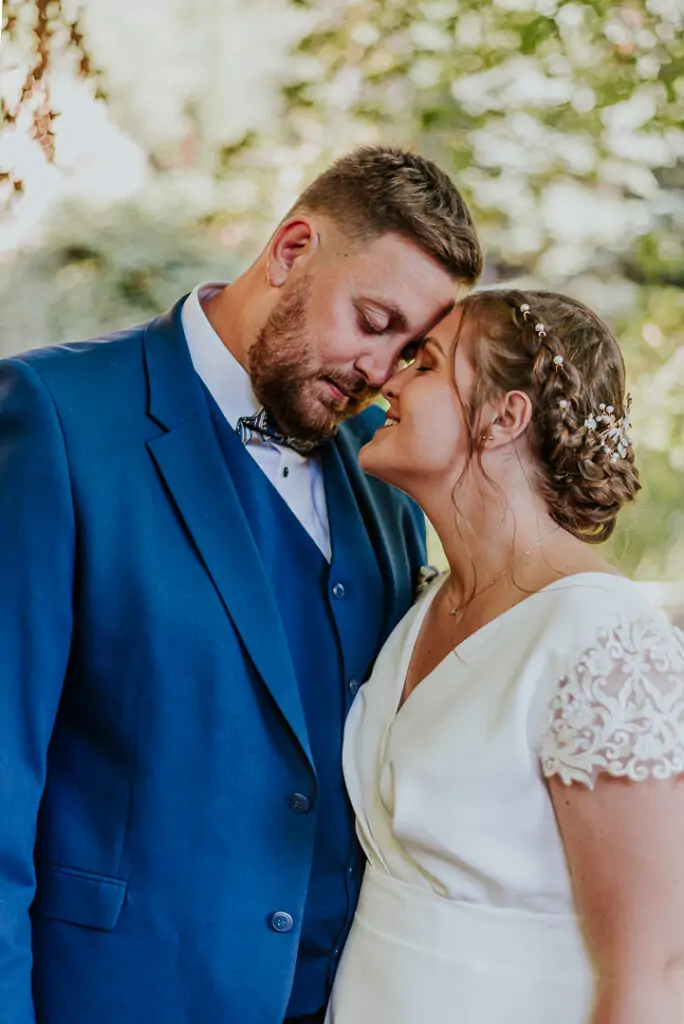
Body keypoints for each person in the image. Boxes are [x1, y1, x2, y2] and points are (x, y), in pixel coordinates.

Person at [0, 147, 483, 1024]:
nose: (380, 371)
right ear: (292, 247)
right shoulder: (56, 419)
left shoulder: (384, 478)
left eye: (409, 348)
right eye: (372, 319)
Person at [326, 288, 684, 1024]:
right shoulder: (423, 603)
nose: (385, 379)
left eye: (422, 364)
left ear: (503, 416)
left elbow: (655, 973)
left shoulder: (603, 642)